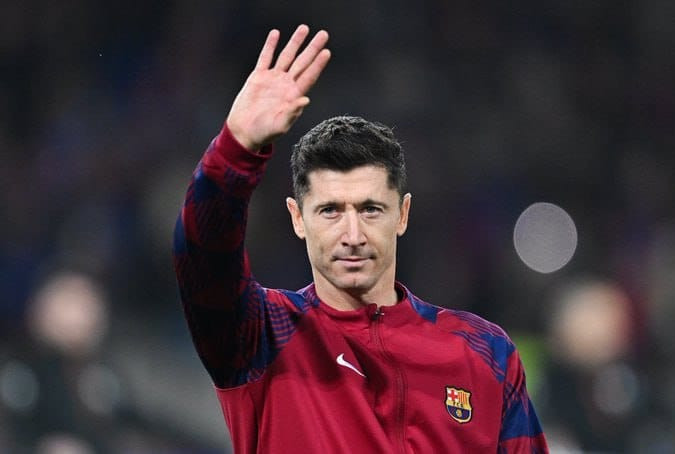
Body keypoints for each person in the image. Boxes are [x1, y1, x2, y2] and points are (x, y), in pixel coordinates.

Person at [173, 25, 548, 453]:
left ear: (402, 214)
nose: (352, 235)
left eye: (370, 209)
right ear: (297, 218)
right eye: (330, 211)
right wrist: (236, 149)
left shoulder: (486, 354)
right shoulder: (260, 336)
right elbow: (202, 256)